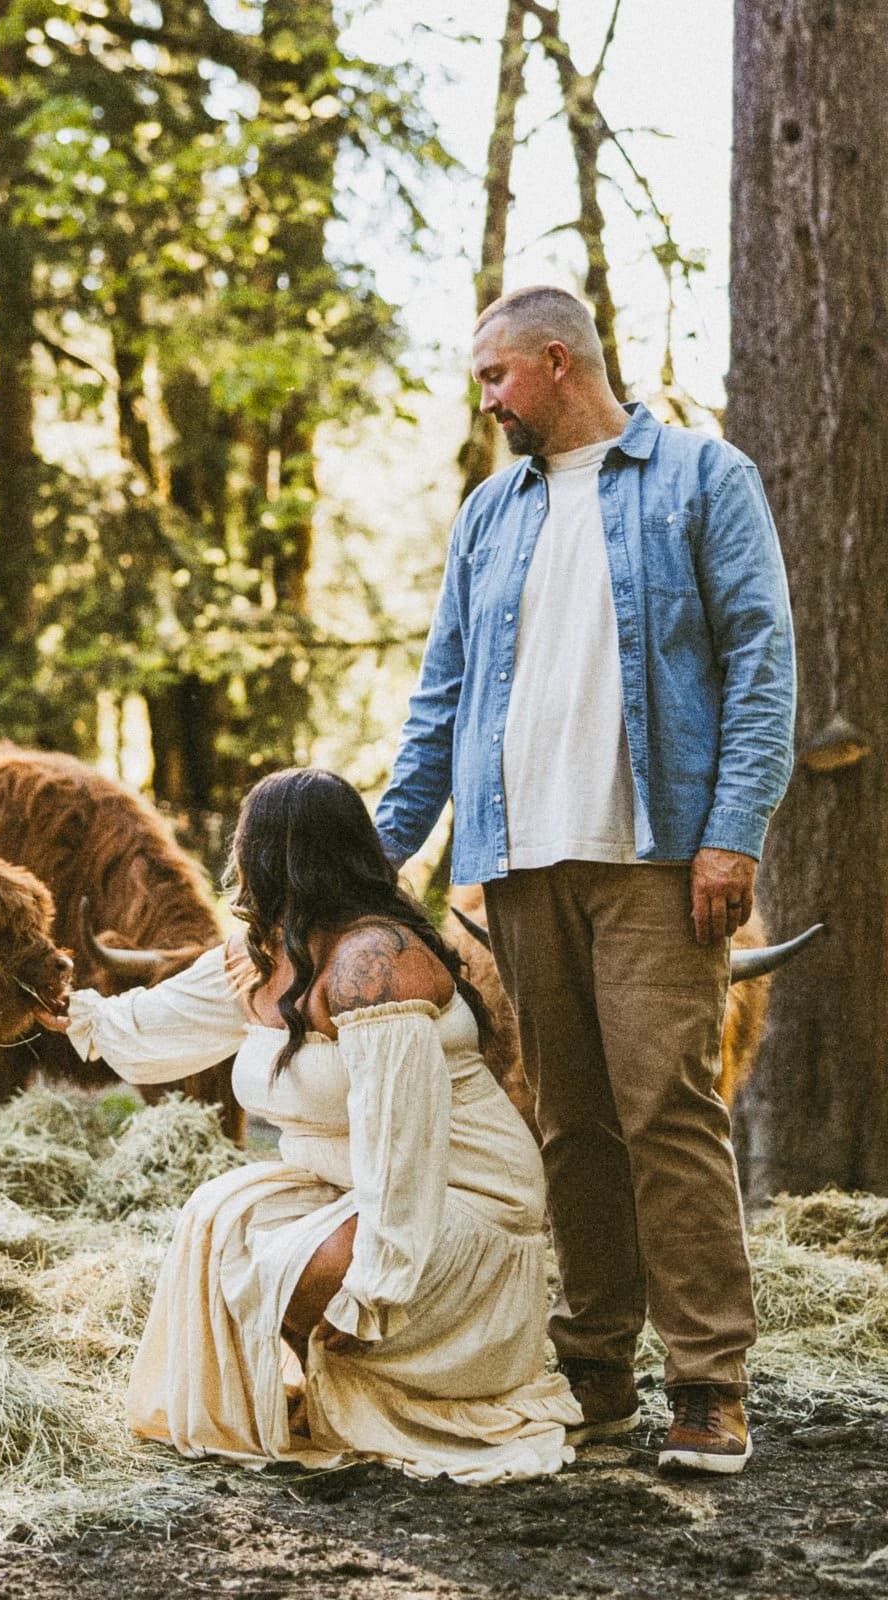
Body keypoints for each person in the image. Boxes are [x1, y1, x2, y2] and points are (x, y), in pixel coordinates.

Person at [374, 285, 796, 1474]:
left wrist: (733, 831)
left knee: (667, 1107)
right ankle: (595, 1373)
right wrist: (384, 849)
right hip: (515, 864)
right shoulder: (487, 517)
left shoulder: (704, 481)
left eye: (495, 379)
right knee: (569, 1124)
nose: (487, 401)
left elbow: (763, 660)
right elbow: (441, 697)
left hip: (658, 856)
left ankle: (708, 1382)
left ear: (556, 361)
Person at [39, 766, 581, 1484]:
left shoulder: (374, 964)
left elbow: (403, 1145)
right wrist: (74, 1012)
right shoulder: (264, 954)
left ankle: (372, 1375)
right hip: (356, 1190)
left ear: (269, 858)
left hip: (459, 1202)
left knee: (291, 1266)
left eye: (246, 851)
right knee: (220, 1218)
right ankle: (316, 1385)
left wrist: (376, 1287)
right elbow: (157, 1026)